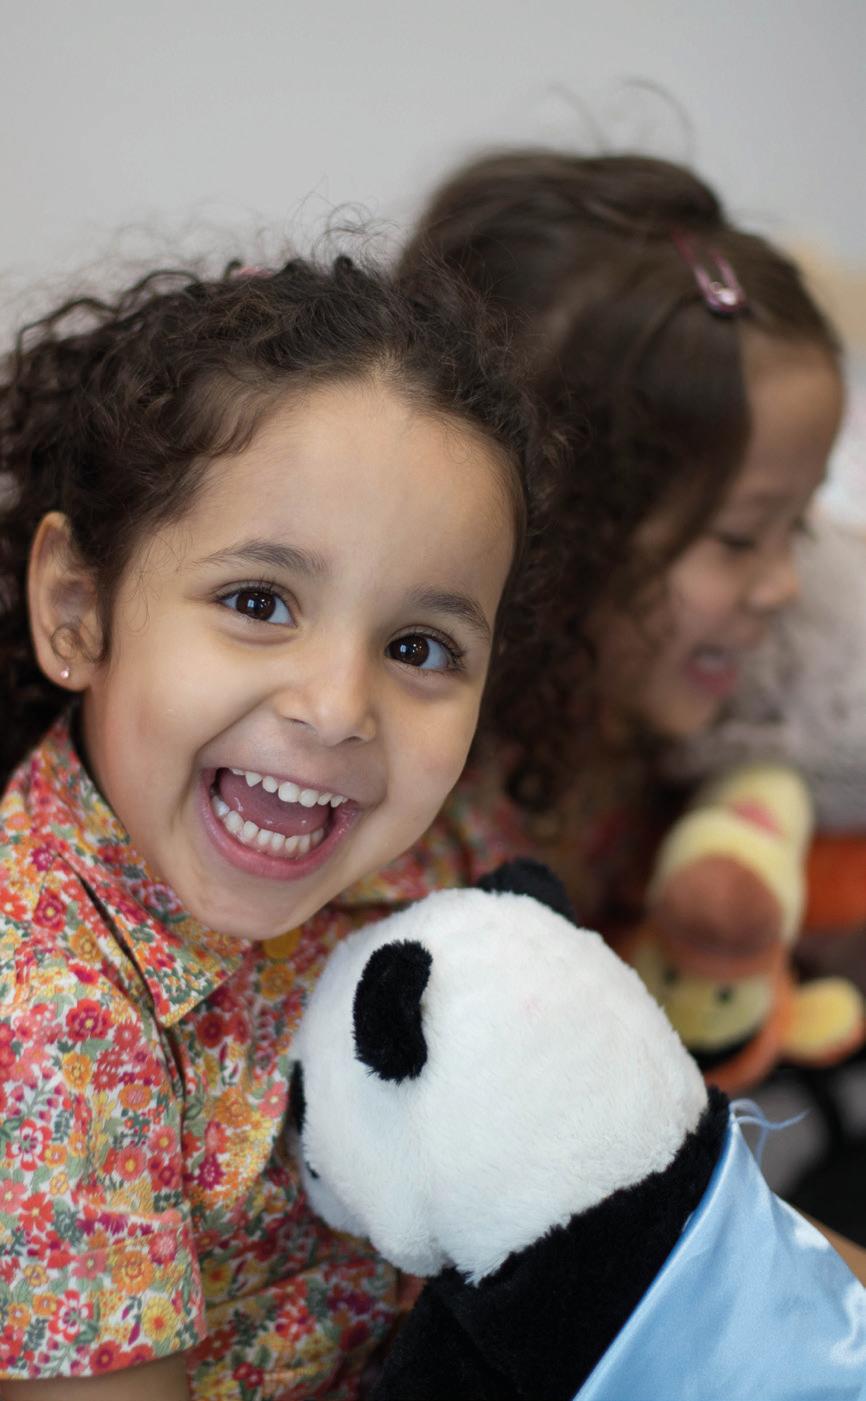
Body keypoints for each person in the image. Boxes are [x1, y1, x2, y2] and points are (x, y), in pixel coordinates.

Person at [0, 253, 553, 1399]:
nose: (339, 707)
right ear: (78, 609)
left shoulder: (433, 849)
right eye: (257, 602)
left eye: (418, 648)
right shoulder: (46, 1011)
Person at [400, 149, 845, 930]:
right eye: (739, 538)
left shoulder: (665, 732)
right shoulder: (417, 817)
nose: (786, 586)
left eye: (799, 523)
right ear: (557, 530)